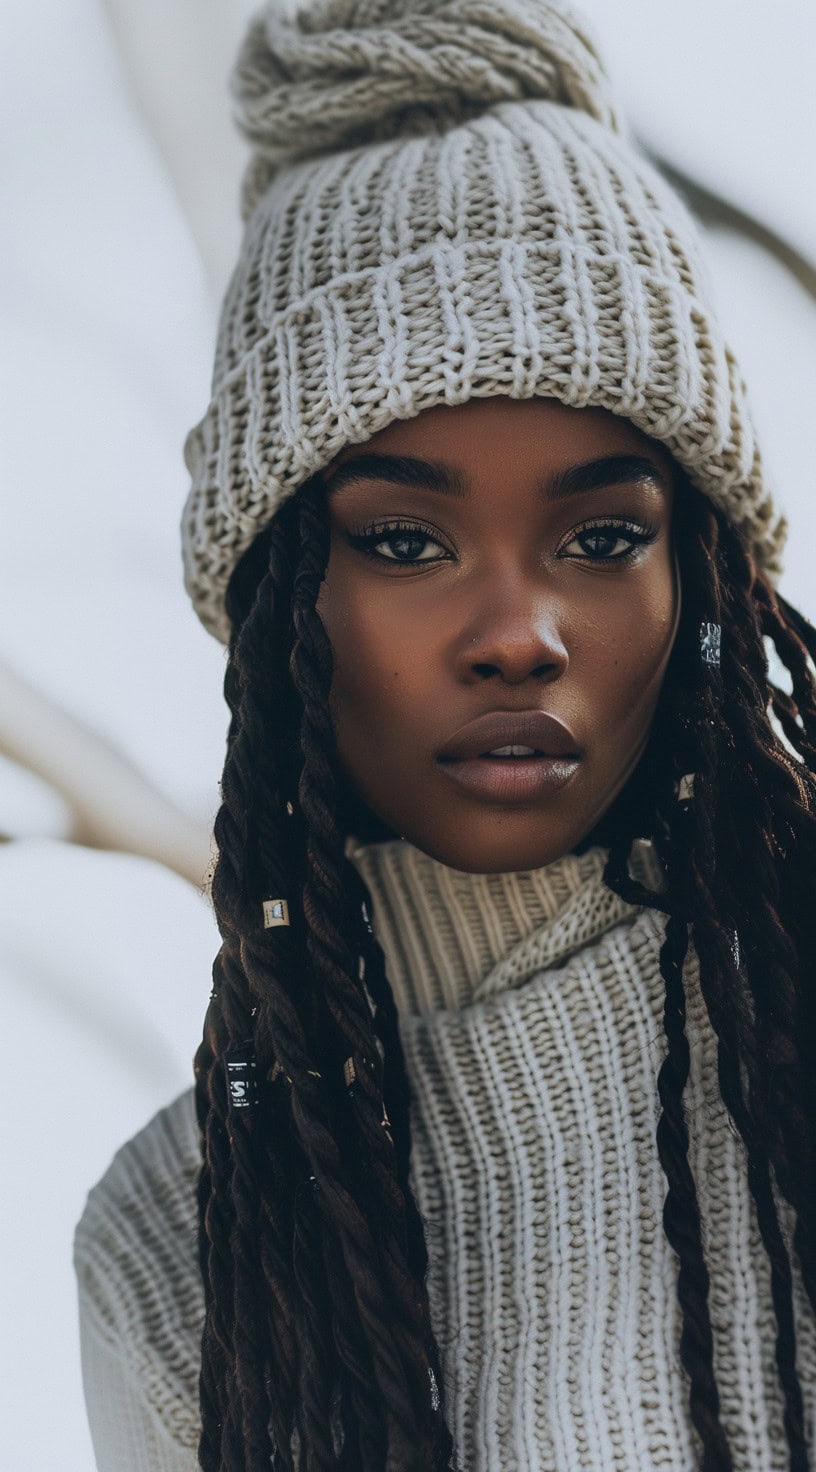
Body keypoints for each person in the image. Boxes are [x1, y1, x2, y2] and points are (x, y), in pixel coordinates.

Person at [73, 1, 816, 1468]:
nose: (518, 630)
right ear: (288, 599)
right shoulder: (180, 1245)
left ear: (707, 577)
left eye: (604, 534)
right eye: (407, 544)